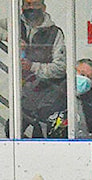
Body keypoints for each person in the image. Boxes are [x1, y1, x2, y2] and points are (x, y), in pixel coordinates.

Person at [18, 0, 67, 138]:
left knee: (41, 134)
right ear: (22, 8)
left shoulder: (55, 32)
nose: (31, 7)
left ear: (44, 7)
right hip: (25, 94)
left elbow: (60, 68)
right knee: (12, 129)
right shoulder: (15, 24)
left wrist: (33, 66)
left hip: (49, 93)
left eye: (35, 4)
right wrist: (9, 36)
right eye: (27, 4)